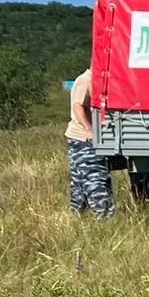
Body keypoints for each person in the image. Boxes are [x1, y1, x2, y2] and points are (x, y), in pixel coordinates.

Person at [66, 68, 115, 218]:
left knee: (80, 184)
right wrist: (89, 129)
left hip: (81, 139)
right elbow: (78, 105)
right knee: (95, 181)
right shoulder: (86, 80)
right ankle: (105, 218)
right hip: (83, 139)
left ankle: (78, 218)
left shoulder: (97, 80)